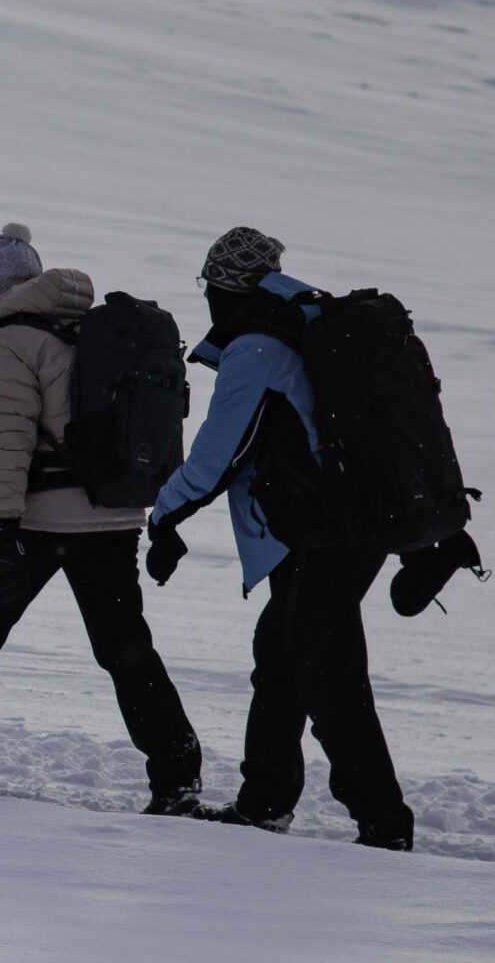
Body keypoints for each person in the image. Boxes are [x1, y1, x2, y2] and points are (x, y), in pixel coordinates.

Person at [0, 223, 205, 816]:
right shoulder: (81, 326)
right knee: (126, 649)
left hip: (40, 525)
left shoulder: (11, 339)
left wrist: (0, 526)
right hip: (113, 519)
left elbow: (10, 442)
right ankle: (177, 775)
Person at [145, 226, 415, 851]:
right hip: (341, 526)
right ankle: (265, 801)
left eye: (209, 283)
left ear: (224, 285)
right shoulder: (306, 322)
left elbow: (217, 455)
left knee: (328, 674)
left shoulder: (258, 347)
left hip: (326, 532)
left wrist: (163, 518)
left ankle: (384, 825)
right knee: (283, 656)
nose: (207, 294)